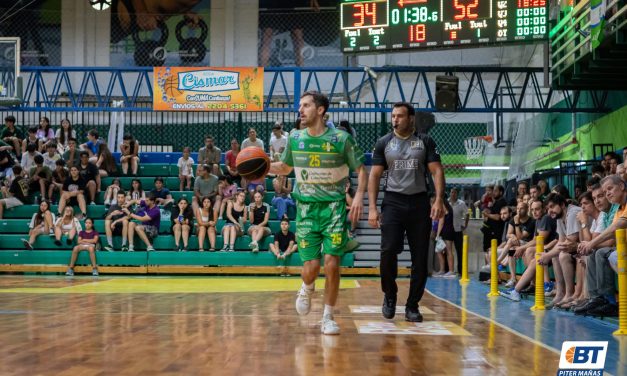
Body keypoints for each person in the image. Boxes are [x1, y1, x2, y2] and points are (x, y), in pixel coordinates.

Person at [269, 91, 367, 335]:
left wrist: (357, 198)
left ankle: (328, 316)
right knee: (311, 267)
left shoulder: (342, 139)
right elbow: (285, 167)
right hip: (306, 210)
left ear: (321, 110)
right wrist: (259, 169)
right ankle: (307, 285)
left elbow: (362, 171)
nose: (300, 110)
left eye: (306, 106)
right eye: (299, 106)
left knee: (332, 264)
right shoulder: (295, 138)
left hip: (333, 209)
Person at [367, 102, 444, 323]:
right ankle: (389, 296)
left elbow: (437, 171)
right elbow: (374, 176)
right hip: (393, 202)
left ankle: (412, 305)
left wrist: (438, 199)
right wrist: (372, 207)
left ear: (411, 118)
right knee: (388, 251)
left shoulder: (425, 141)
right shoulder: (384, 143)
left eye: (400, 116)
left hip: (419, 203)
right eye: (393, 116)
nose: (395, 120)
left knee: (420, 257)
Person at [482, 185, 508, 265]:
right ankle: (489, 271)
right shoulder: (496, 202)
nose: (493, 192)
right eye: (493, 191)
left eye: (496, 191)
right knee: (487, 252)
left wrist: (487, 214)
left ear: (501, 192)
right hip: (490, 231)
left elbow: (498, 217)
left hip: (496, 233)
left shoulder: (501, 202)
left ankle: (492, 272)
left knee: (491, 252)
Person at [448, 188, 469, 274]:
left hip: (458, 230)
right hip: (448, 230)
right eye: (452, 192)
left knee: (459, 251)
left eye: (455, 192)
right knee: (447, 251)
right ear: (450, 193)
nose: (453, 194)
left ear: (457, 194)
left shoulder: (461, 203)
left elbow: (467, 214)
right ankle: (448, 270)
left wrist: (465, 225)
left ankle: (460, 271)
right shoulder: (446, 202)